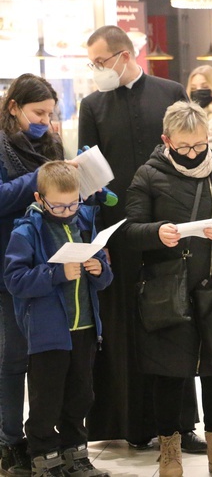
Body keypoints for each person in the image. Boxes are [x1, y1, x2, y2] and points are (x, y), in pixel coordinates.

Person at [77, 25, 206, 452]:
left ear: (125, 55)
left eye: (101, 62)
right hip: (115, 233)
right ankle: (130, 423)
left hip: (167, 232)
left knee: (174, 322)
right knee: (121, 325)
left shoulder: (170, 90)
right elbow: (86, 171)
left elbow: (192, 152)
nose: (97, 71)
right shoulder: (92, 105)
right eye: (92, 64)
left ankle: (181, 424)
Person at [122, 101, 212, 477]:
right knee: (169, 374)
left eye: (200, 145)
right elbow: (130, 232)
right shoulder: (148, 175)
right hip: (167, 293)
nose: (194, 153)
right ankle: (170, 451)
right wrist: (156, 233)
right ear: (167, 141)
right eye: (184, 147)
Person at [4, 161, 113, 477]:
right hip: (47, 333)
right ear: (39, 198)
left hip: (86, 328)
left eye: (73, 203)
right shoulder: (26, 230)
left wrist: (99, 272)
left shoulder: (84, 223)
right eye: (59, 205)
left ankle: (75, 455)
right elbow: (15, 280)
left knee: (80, 397)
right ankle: (44, 457)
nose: (67, 211)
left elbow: (105, 279)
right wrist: (55, 274)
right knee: (46, 399)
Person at [0, 74, 64, 477]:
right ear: (13, 107)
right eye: (38, 112)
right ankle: (9, 442)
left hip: (51, 262)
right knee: (12, 356)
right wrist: (40, 179)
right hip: (10, 264)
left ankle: (41, 436)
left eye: (50, 113)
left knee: (44, 357)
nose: (44, 120)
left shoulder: (50, 144)